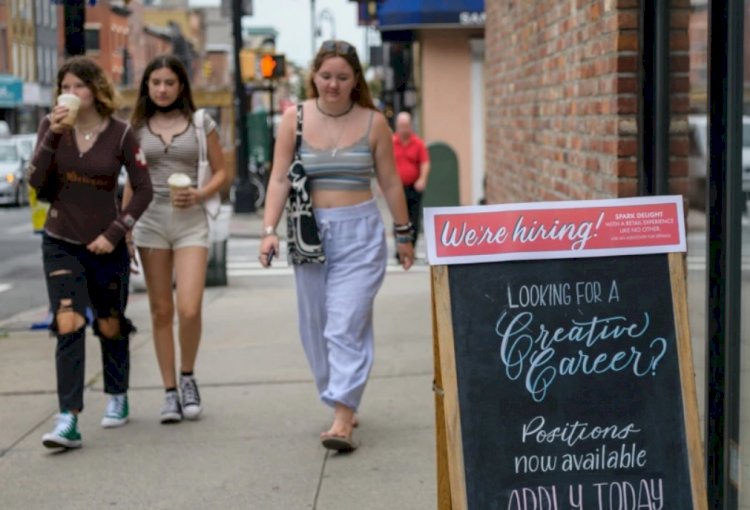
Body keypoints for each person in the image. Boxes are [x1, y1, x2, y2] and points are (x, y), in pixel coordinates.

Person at [258, 40, 415, 452]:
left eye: (343, 77)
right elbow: (277, 178)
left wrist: (403, 234)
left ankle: (343, 416)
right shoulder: (293, 119)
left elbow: (391, 182)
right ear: (313, 76)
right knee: (315, 327)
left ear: (355, 80)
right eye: (326, 75)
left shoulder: (373, 122)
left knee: (345, 324)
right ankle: (339, 394)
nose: (333, 84)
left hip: (360, 233)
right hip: (310, 232)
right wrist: (268, 229)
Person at [28, 56, 153, 449]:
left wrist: (117, 232)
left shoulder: (119, 134)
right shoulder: (51, 127)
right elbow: (35, 181)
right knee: (68, 321)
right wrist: (52, 134)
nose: (72, 93)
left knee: (109, 323)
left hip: (106, 243)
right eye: (65, 85)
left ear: (95, 90)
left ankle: (117, 393)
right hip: (61, 239)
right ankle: (69, 417)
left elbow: (144, 188)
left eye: (79, 85)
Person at [125, 55, 227, 424]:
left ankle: (188, 377)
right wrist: (126, 229)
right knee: (160, 311)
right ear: (147, 87)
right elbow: (132, 183)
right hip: (150, 221)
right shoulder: (135, 128)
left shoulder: (201, 123)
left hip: (190, 222)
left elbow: (222, 173)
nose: (163, 89)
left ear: (181, 85)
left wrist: (200, 194)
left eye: (170, 82)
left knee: (189, 307)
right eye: (156, 83)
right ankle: (169, 392)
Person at [392, 111, 430, 252]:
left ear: (411, 126)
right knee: (398, 218)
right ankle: (399, 249)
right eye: (401, 126)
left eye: (406, 126)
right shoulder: (391, 142)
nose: (403, 129)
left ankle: (411, 247)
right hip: (396, 187)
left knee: (413, 218)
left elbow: (425, 163)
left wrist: (422, 179)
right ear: (397, 126)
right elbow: (384, 164)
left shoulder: (418, 143)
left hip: (413, 187)